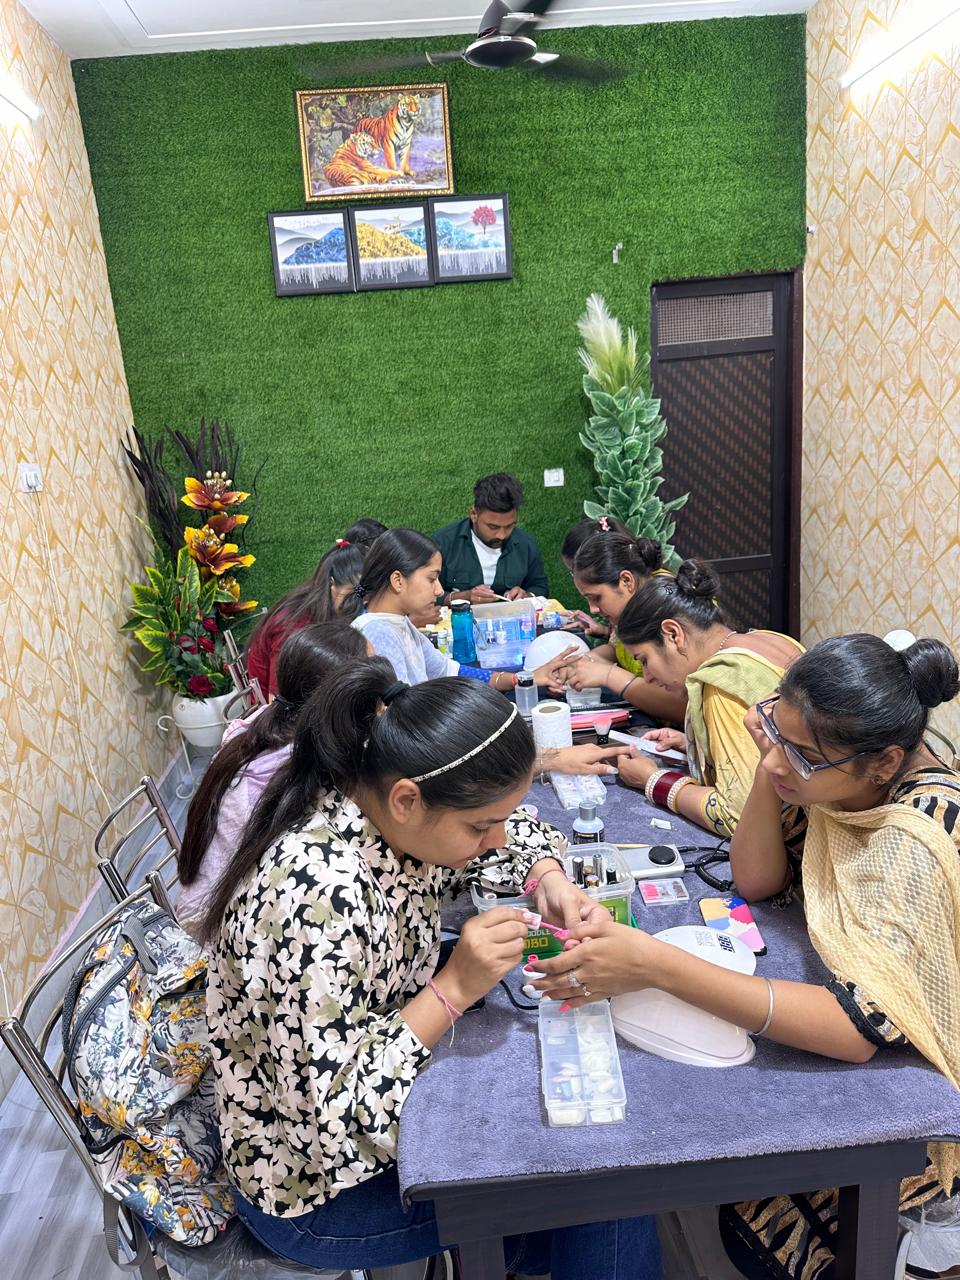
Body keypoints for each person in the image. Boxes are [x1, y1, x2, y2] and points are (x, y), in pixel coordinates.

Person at [202, 665, 662, 1277]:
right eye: (480, 827)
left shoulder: (376, 797)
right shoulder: (312, 899)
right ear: (408, 799)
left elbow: (510, 825)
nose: (497, 840)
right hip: (314, 1194)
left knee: (598, 1162)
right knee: (606, 1185)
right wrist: (454, 988)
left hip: (374, 1066)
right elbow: (336, 1120)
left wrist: (545, 877)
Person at [529, 634, 960, 1280]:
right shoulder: (837, 775)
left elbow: (859, 1025)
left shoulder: (919, 836)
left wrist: (653, 965)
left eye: (804, 755)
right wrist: (775, 770)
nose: (784, 761)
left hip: (924, 1104)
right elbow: (757, 879)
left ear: (884, 762)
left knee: (746, 1195)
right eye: (775, 731)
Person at [176, 623, 368, 938]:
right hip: (219, 935)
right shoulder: (302, 766)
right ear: (343, 699)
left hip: (209, 907)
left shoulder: (263, 722)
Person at [602, 559, 803, 834]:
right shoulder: (771, 639)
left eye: (644, 659)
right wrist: (698, 744)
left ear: (673, 634)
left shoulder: (720, 685)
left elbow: (738, 816)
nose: (647, 675)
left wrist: (653, 779)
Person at [346, 527, 575, 696]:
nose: (439, 590)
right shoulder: (377, 632)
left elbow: (450, 670)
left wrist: (522, 678)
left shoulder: (396, 623)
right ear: (397, 580)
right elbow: (401, 711)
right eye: (432, 578)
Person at [557, 530, 687, 725]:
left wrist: (609, 675)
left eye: (596, 598)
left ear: (627, 581)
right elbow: (616, 648)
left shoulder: (671, 610)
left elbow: (684, 706)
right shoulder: (634, 605)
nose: (592, 609)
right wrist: (583, 662)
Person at [246, 541, 366, 698]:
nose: (362, 603)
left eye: (367, 593)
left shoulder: (326, 612)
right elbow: (277, 702)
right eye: (354, 593)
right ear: (332, 584)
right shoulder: (295, 626)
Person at [433, 472, 548, 603]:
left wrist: (527, 595)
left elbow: (540, 587)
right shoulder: (444, 542)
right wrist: (464, 597)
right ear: (474, 514)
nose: (502, 535)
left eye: (509, 526)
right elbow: (427, 595)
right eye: (493, 527)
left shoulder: (526, 544)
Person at [559, 514, 630, 638]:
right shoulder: (625, 602)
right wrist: (604, 632)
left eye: (575, 571)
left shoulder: (653, 611)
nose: (593, 609)